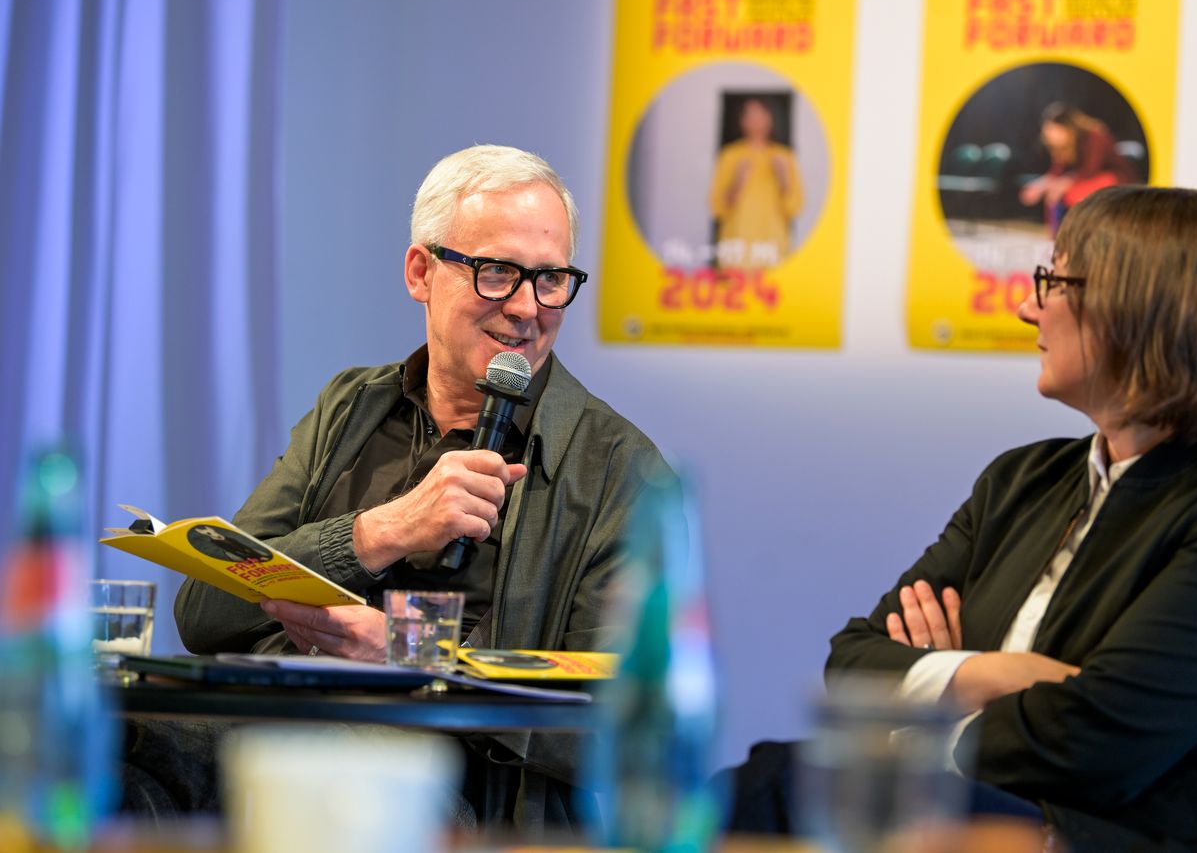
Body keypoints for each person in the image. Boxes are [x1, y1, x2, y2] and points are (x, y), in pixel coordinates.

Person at [133, 145, 668, 831]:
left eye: (552, 278)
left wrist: (406, 654)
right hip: (276, 736)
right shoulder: (350, 407)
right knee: (116, 749)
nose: (529, 308)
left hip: (458, 796)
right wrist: (379, 532)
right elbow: (207, 613)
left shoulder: (618, 468)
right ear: (422, 271)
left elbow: (626, 727)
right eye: (498, 273)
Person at [827, 186, 1197, 851]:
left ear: (1136, 309)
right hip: (967, 826)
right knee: (767, 780)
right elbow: (852, 661)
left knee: (773, 787)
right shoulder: (1018, 481)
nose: (1024, 306)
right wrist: (990, 674)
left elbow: (1093, 740)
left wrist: (917, 721)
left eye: (1051, 281)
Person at [707, 97, 804, 268]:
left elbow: (794, 208)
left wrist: (783, 178)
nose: (756, 121)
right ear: (742, 121)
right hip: (737, 244)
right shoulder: (730, 155)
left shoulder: (784, 156)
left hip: (773, 245)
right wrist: (737, 182)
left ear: (770, 119)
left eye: (761, 115)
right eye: (750, 116)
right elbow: (717, 208)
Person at [1019, 102, 1137, 234]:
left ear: (1067, 127)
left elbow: (1090, 170)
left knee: (1068, 193)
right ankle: (1055, 235)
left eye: (1054, 130)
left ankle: (1082, 234)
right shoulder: (1062, 145)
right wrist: (1039, 186)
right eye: (1048, 131)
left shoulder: (1094, 135)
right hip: (1084, 179)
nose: (1050, 136)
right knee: (1055, 191)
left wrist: (1062, 183)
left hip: (1115, 180)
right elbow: (1057, 172)